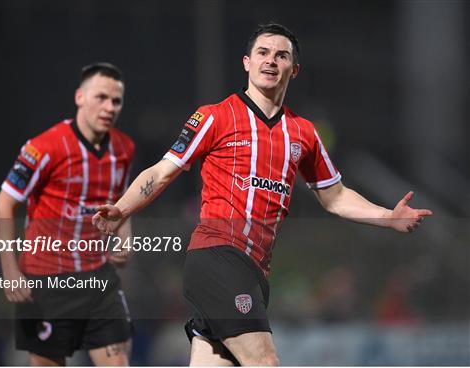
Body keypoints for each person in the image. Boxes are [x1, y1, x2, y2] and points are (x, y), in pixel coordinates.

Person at [93, 23, 433, 366]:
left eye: (281, 55)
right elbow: (161, 171)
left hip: (255, 271)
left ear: (294, 69)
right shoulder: (214, 117)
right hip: (218, 257)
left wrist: (387, 217)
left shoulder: (304, 133)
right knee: (265, 362)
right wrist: (121, 209)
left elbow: (336, 197)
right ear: (246, 62)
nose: (271, 61)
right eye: (263, 53)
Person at [0, 63, 135, 366]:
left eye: (116, 101)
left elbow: (122, 201)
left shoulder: (124, 148)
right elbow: (3, 206)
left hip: (98, 280)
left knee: (119, 361)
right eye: (101, 97)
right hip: (47, 283)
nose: (109, 107)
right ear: (80, 97)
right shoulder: (43, 148)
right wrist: (9, 271)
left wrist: (124, 238)